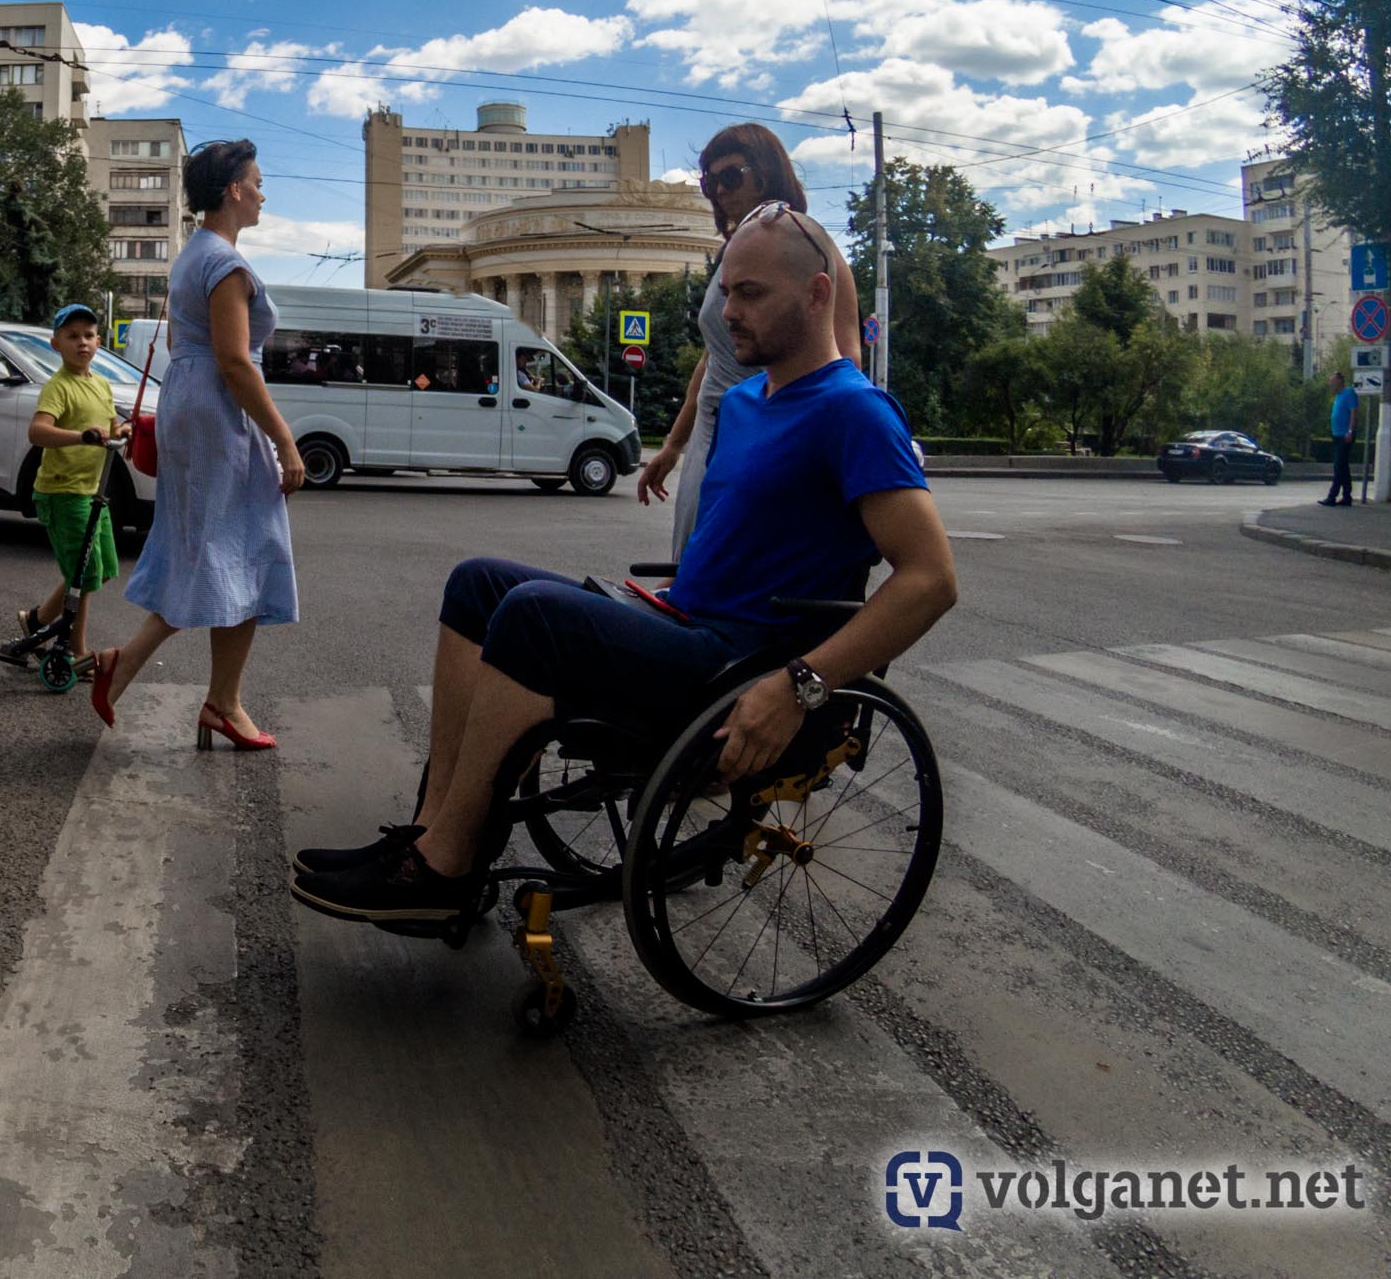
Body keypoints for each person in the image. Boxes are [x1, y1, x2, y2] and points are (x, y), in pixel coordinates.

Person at [291, 203, 958, 924]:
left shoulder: (854, 411)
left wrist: (800, 685)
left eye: (752, 293)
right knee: (477, 581)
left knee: (532, 617)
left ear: (819, 293)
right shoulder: (743, 404)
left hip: (736, 665)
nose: (729, 311)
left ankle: (446, 867)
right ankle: (431, 834)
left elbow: (930, 580)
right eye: (727, 290)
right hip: (684, 620)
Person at [88, 139, 303, 749]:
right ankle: (212, 698)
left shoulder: (195, 254)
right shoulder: (226, 263)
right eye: (257, 182)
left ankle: (189, 690)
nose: (263, 192)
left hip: (192, 405)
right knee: (244, 551)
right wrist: (285, 441)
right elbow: (237, 362)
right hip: (218, 412)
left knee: (216, 554)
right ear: (233, 190)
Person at [636, 123, 865, 560]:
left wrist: (796, 443)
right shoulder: (737, 249)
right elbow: (712, 359)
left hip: (762, 434)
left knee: (724, 566)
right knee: (693, 561)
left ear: (766, 172)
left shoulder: (809, 244)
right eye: (709, 181)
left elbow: (846, 358)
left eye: (730, 176)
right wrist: (675, 444)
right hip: (712, 428)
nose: (718, 190)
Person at [9, 304, 126, 662]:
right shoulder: (58, 387)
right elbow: (38, 431)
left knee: (101, 570)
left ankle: (38, 619)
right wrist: (81, 437)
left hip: (93, 491)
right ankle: (75, 651)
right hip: (63, 492)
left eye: (89, 336)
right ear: (56, 343)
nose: (82, 343)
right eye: (72, 336)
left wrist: (121, 431)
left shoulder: (101, 384)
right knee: (84, 575)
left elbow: (108, 428)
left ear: (99, 342)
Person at [1321, 367, 1359, 507]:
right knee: (1343, 467)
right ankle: (1347, 496)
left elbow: (1353, 412)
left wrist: (1350, 430)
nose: (1331, 384)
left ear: (1340, 381)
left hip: (1345, 435)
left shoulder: (1349, 393)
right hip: (1337, 434)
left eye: (1333, 381)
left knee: (1338, 466)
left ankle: (1332, 497)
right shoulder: (1338, 395)